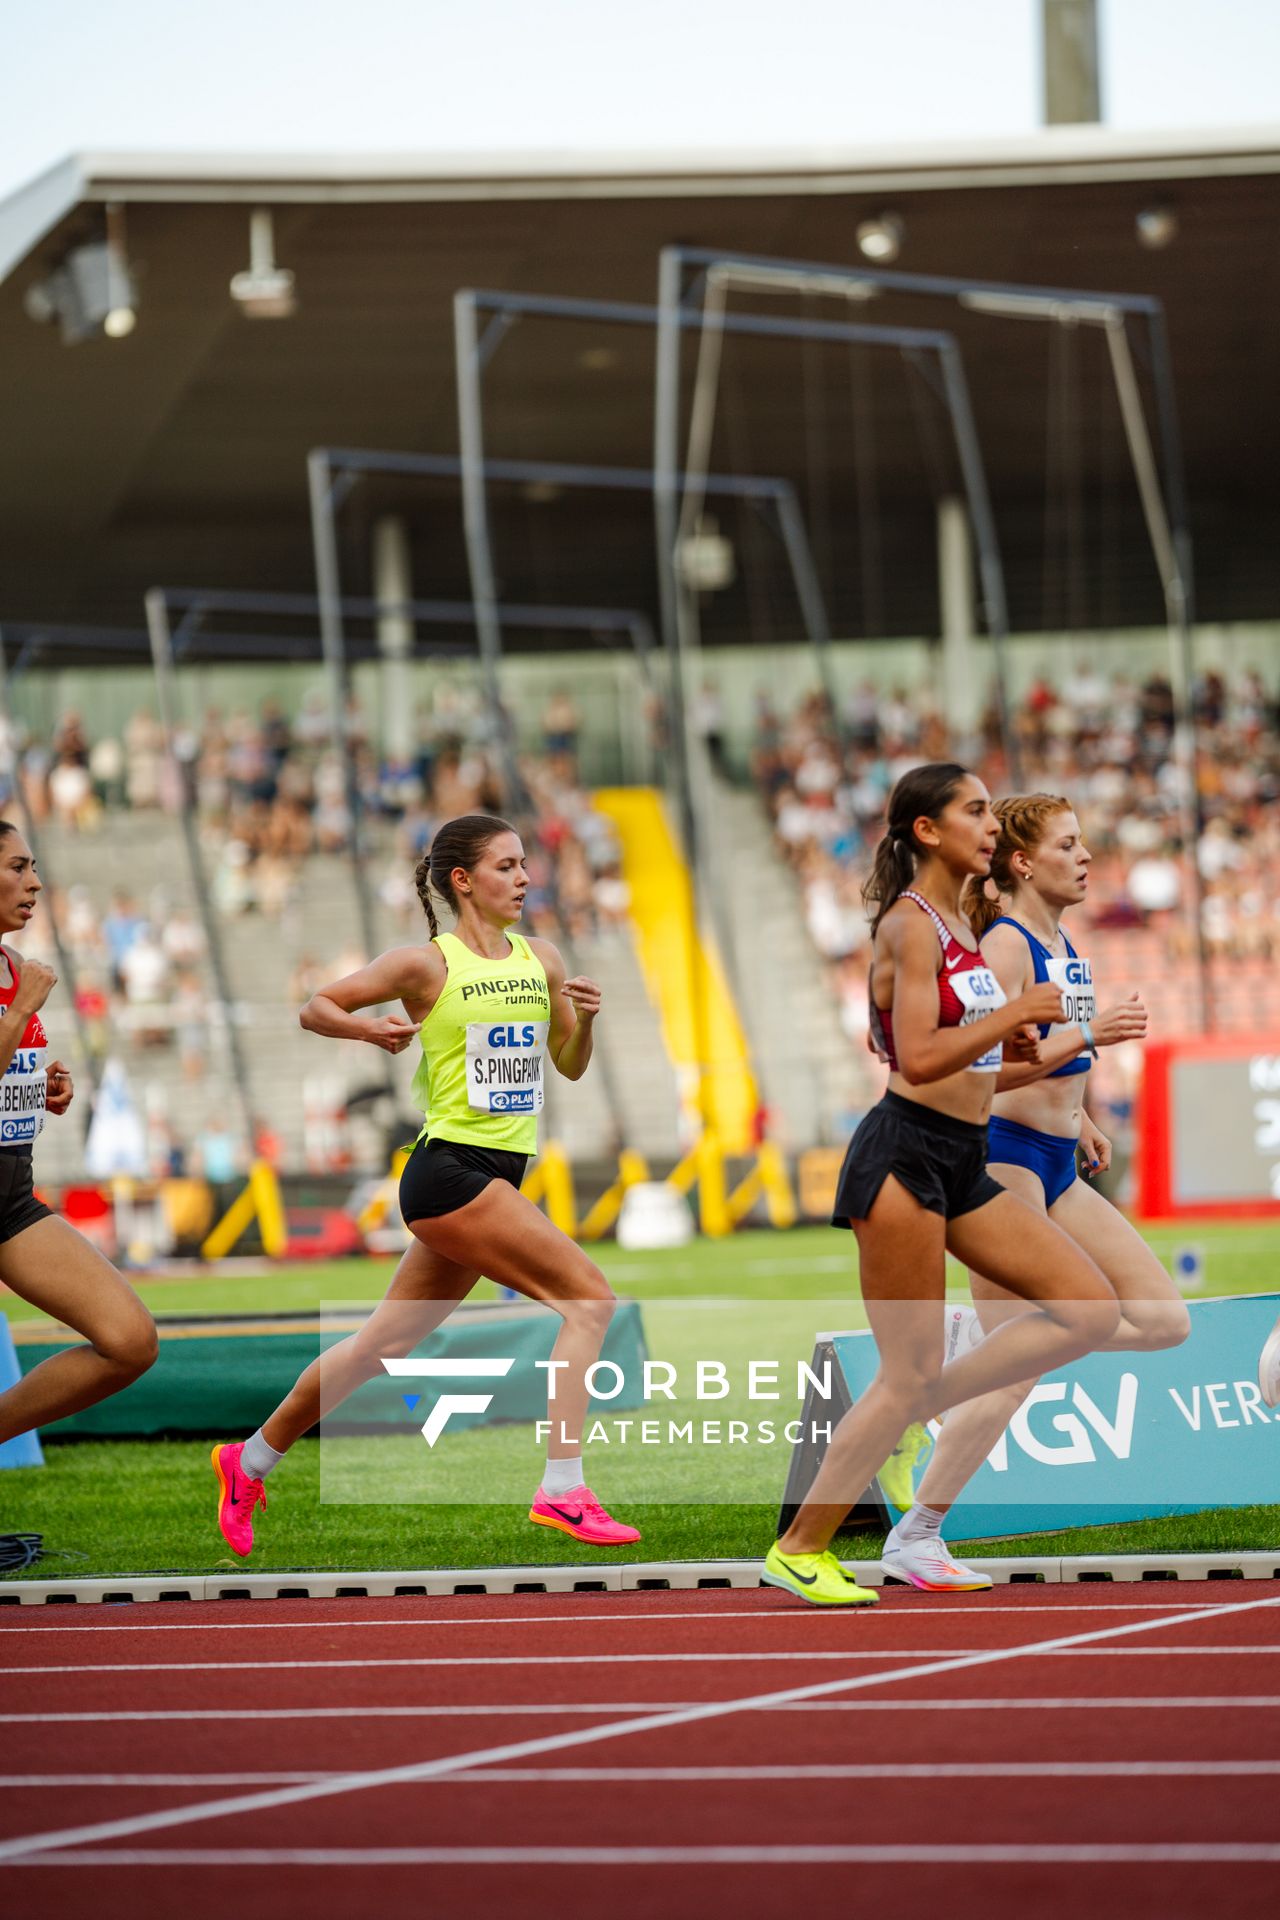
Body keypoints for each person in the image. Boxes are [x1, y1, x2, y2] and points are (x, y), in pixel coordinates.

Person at [211, 812, 639, 1555]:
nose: (526, 877)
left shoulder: (541, 958)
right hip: (450, 1172)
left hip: (498, 1171)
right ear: (463, 881)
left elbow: (567, 1063)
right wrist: (368, 1031)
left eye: (524, 864)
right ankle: (563, 1490)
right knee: (591, 1301)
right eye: (506, 866)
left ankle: (247, 1460)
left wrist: (588, 1023)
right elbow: (317, 1007)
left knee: (382, 1343)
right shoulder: (424, 966)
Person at [762, 764, 1122, 1607]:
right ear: (927, 831)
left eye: (992, 814)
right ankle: (800, 1546)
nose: (989, 825)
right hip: (903, 1158)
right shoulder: (911, 923)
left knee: (1088, 1308)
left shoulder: (963, 925)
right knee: (901, 1376)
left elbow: (975, 1063)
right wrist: (1015, 1013)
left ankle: (915, 1408)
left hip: (961, 1156)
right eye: (973, 812)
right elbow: (917, 1060)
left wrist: (1039, 1053)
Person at [878, 792, 1189, 1590]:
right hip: (1006, 1159)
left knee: (1163, 1321)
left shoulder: (1062, 938)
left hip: (1059, 1158)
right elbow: (978, 1065)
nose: (1086, 857)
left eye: (1085, 843)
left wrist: (1080, 1113)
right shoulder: (1006, 946)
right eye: (1068, 845)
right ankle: (917, 1534)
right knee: (1021, 1368)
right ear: (1023, 862)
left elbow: (1052, 1054)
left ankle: (969, 1352)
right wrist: (1089, 1038)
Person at [0, 822, 158, 1451]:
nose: (34, 881)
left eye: (33, 866)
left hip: (11, 1198)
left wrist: (40, 1087)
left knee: (129, 1341)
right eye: (16, 867)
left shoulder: (15, 968)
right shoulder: (22, 988)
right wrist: (17, 1016)